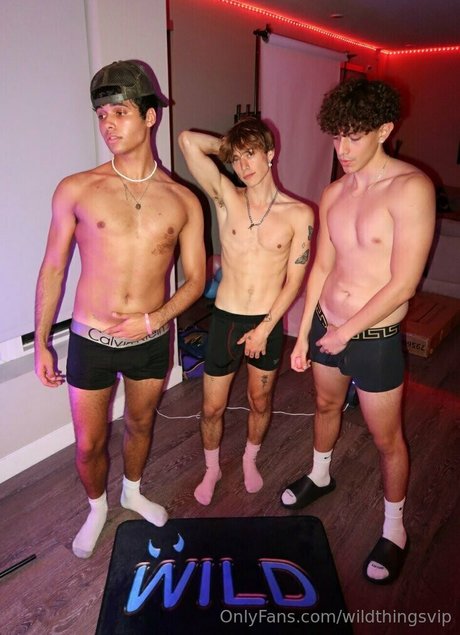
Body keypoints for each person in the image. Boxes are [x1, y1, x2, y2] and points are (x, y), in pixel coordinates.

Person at [34, 60, 205, 558]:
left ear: (150, 117)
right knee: (88, 444)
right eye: (102, 115)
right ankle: (96, 507)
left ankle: (131, 491)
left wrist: (155, 319)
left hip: (151, 339)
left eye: (120, 112)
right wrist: (42, 340)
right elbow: (53, 269)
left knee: (140, 425)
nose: (108, 124)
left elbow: (197, 279)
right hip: (91, 339)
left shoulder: (184, 200)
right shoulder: (77, 189)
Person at [281, 78, 435, 584]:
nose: (342, 149)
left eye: (354, 136)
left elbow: (404, 283)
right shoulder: (333, 192)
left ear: (384, 130)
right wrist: (303, 332)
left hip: (372, 339)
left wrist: (345, 331)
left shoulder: (411, 188)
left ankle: (394, 529)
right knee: (325, 406)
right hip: (327, 326)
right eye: (336, 137)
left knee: (386, 438)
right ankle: (320, 475)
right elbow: (323, 266)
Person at [179, 117, 314, 506]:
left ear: (270, 154)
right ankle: (212, 469)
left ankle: (249, 459)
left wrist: (265, 329)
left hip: (266, 323)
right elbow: (187, 140)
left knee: (259, 402)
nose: (243, 165)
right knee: (211, 407)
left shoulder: (299, 214)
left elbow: (294, 282)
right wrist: (232, 146)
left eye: (251, 154)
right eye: (236, 158)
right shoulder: (226, 197)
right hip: (226, 317)